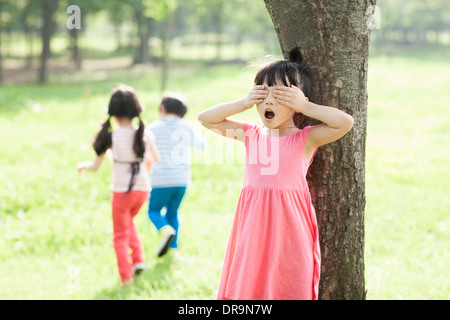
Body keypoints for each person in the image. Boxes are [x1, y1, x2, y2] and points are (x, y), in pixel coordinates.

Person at [198, 47, 354, 300]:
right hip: (254, 227)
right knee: (251, 281)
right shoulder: (251, 134)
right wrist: (243, 102)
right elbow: (206, 119)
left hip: (289, 228)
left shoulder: (305, 138)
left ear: (296, 102)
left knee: (289, 279)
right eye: (263, 93)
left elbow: (344, 122)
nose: (269, 101)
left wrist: (306, 106)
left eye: (281, 95)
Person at [77, 85, 159, 285]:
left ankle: (126, 277)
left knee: (120, 235)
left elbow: (95, 166)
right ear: (136, 109)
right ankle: (138, 261)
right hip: (142, 190)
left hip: (122, 193)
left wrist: (82, 166)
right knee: (129, 223)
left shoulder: (111, 136)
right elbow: (154, 159)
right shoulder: (145, 133)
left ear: (112, 111)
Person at [147, 92, 206, 257]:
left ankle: (164, 230)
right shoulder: (187, 126)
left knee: (154, 211)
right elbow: (201, 145)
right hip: (181, 180)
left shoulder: (153, 128)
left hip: (160, 179)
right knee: (173, 212)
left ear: (162, 108)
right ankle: (172, 247)